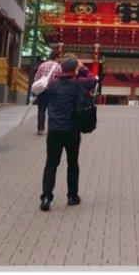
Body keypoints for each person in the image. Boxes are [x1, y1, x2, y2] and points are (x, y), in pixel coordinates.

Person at [35, 54, 93, 211]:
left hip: (54, 129)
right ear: (75, 68)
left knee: (51, 164)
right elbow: (93, 79)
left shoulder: (52, 85)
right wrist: (82, 69)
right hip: (72, 130)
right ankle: (72, 196)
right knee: (72, 163)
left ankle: (46, 197)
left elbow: (39, 92)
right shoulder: (78, 84)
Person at [31, 46, 63, 136]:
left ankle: (40, 129)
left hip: (42, 90)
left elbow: (36, 78)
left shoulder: (42, 65)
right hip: (53, 91)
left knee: (41, 110)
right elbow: (60, 79)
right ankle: (52, 129)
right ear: (56, 58)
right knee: (52, 111)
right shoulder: (58, 67)